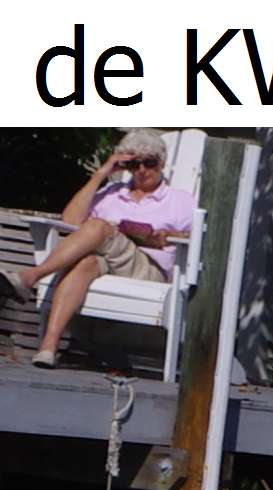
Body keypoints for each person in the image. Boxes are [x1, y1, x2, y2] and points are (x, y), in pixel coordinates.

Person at [13, 133, 196, 367]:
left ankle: (32, 275)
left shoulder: (180, 201)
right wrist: (101, 174)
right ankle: (48, 346)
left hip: (149, 270)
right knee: (85, 262)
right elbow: (70, 220)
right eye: (133, 164)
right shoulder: (111, 193)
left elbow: (203, 237)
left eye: (149, 163)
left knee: (98, 227)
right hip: (107, 262)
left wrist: (171, 236)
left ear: (162, 162)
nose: (142, 170)